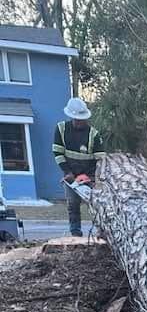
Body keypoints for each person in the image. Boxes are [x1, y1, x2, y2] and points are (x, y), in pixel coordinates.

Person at [52, 97, 106, 237]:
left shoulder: (93, 134)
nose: (79, 122)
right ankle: (75, 232)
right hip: (71, 175)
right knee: (72, 204)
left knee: (96, 205)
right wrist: (67, 172)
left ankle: (102, 232)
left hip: (89, 175)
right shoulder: (61, 129)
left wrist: (92, 178)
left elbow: (100, 159)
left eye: (81, 119)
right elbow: (58, 153)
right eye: (76, 119)